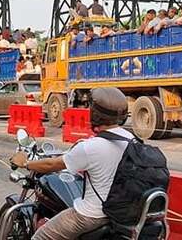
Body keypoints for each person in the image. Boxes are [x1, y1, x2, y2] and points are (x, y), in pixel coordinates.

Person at [10, 88, 131, 240]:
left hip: (91, 215)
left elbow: (51, 165)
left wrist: (26, 163)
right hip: (123, 213)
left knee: (39, 237)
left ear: (95, 115)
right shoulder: (132, 140)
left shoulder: (90, 147)